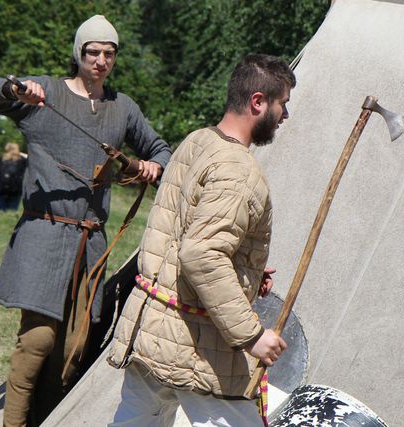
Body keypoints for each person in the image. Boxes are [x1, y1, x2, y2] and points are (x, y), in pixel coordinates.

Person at [0, 15, 172, 427]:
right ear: (78, 53)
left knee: (71, 352)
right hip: (44, 233)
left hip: (91, 244)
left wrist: (152, 165)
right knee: (37, 341)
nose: (100, 60)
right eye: (92, 52)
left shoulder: (122, 107)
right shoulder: (46, 92)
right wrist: (14, 88)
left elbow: (161, 150)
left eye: (108, 53)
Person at [107, 53, 295, 427]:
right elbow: (202, 253)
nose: (285, 115)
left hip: (152, 326)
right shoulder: (238, 170)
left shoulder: (197, 141)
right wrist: (251, 335)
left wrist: (246, 271)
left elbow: (183, 233)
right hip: (195, 345)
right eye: (282, 104)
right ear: (258, 102)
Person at [0, 142, 27, 212]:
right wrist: (21, 154)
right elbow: (30, 158)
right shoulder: (22, 161)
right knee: (12, 211)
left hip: (2, 188)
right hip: (16, 189)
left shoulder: (1, 159)